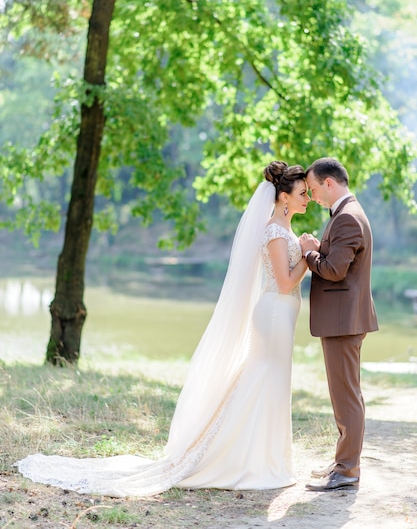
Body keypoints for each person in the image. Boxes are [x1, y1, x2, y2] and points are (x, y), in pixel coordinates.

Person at [15, 161, 310, 497]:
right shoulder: (273, 231)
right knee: (262, 381)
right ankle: (245, 459)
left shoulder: (283, 231)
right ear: (283, 196)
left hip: (281, 317)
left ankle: (267, 458)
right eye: (302, 193)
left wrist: (301, 249)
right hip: (273, 315)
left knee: (271, 383)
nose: (308, 198)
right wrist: (307, 254)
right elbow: (285, 283)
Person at [299, 157, 378, 492]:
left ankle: (347, 469)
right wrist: (321, 248)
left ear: (329, 183)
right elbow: (337, 259)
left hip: (343, 322)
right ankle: (343, 462)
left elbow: (334, 271)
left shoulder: (347, 218)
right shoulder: (347, 214)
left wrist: (308, 253)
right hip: (343, 319)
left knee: (346, 397)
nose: (313, 197)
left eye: (314, 189)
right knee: (344, 394)